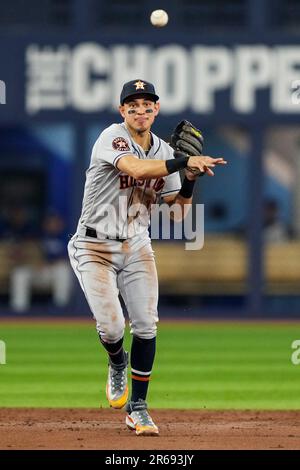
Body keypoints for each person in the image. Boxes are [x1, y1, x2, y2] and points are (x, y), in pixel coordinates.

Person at [68, 79, 226, 436]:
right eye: (133, 105)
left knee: (146, 324)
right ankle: (117, 361)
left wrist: (189, 178)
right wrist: (184, 160)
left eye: (147, 104)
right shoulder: (112, 137)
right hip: (94, 245)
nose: (141, 110)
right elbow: (136, 170)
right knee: (111, 327)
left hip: (136, 244)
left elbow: (178, 214)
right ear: (122, 111)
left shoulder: (164, 151)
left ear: (156, 110)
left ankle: (138, 408)